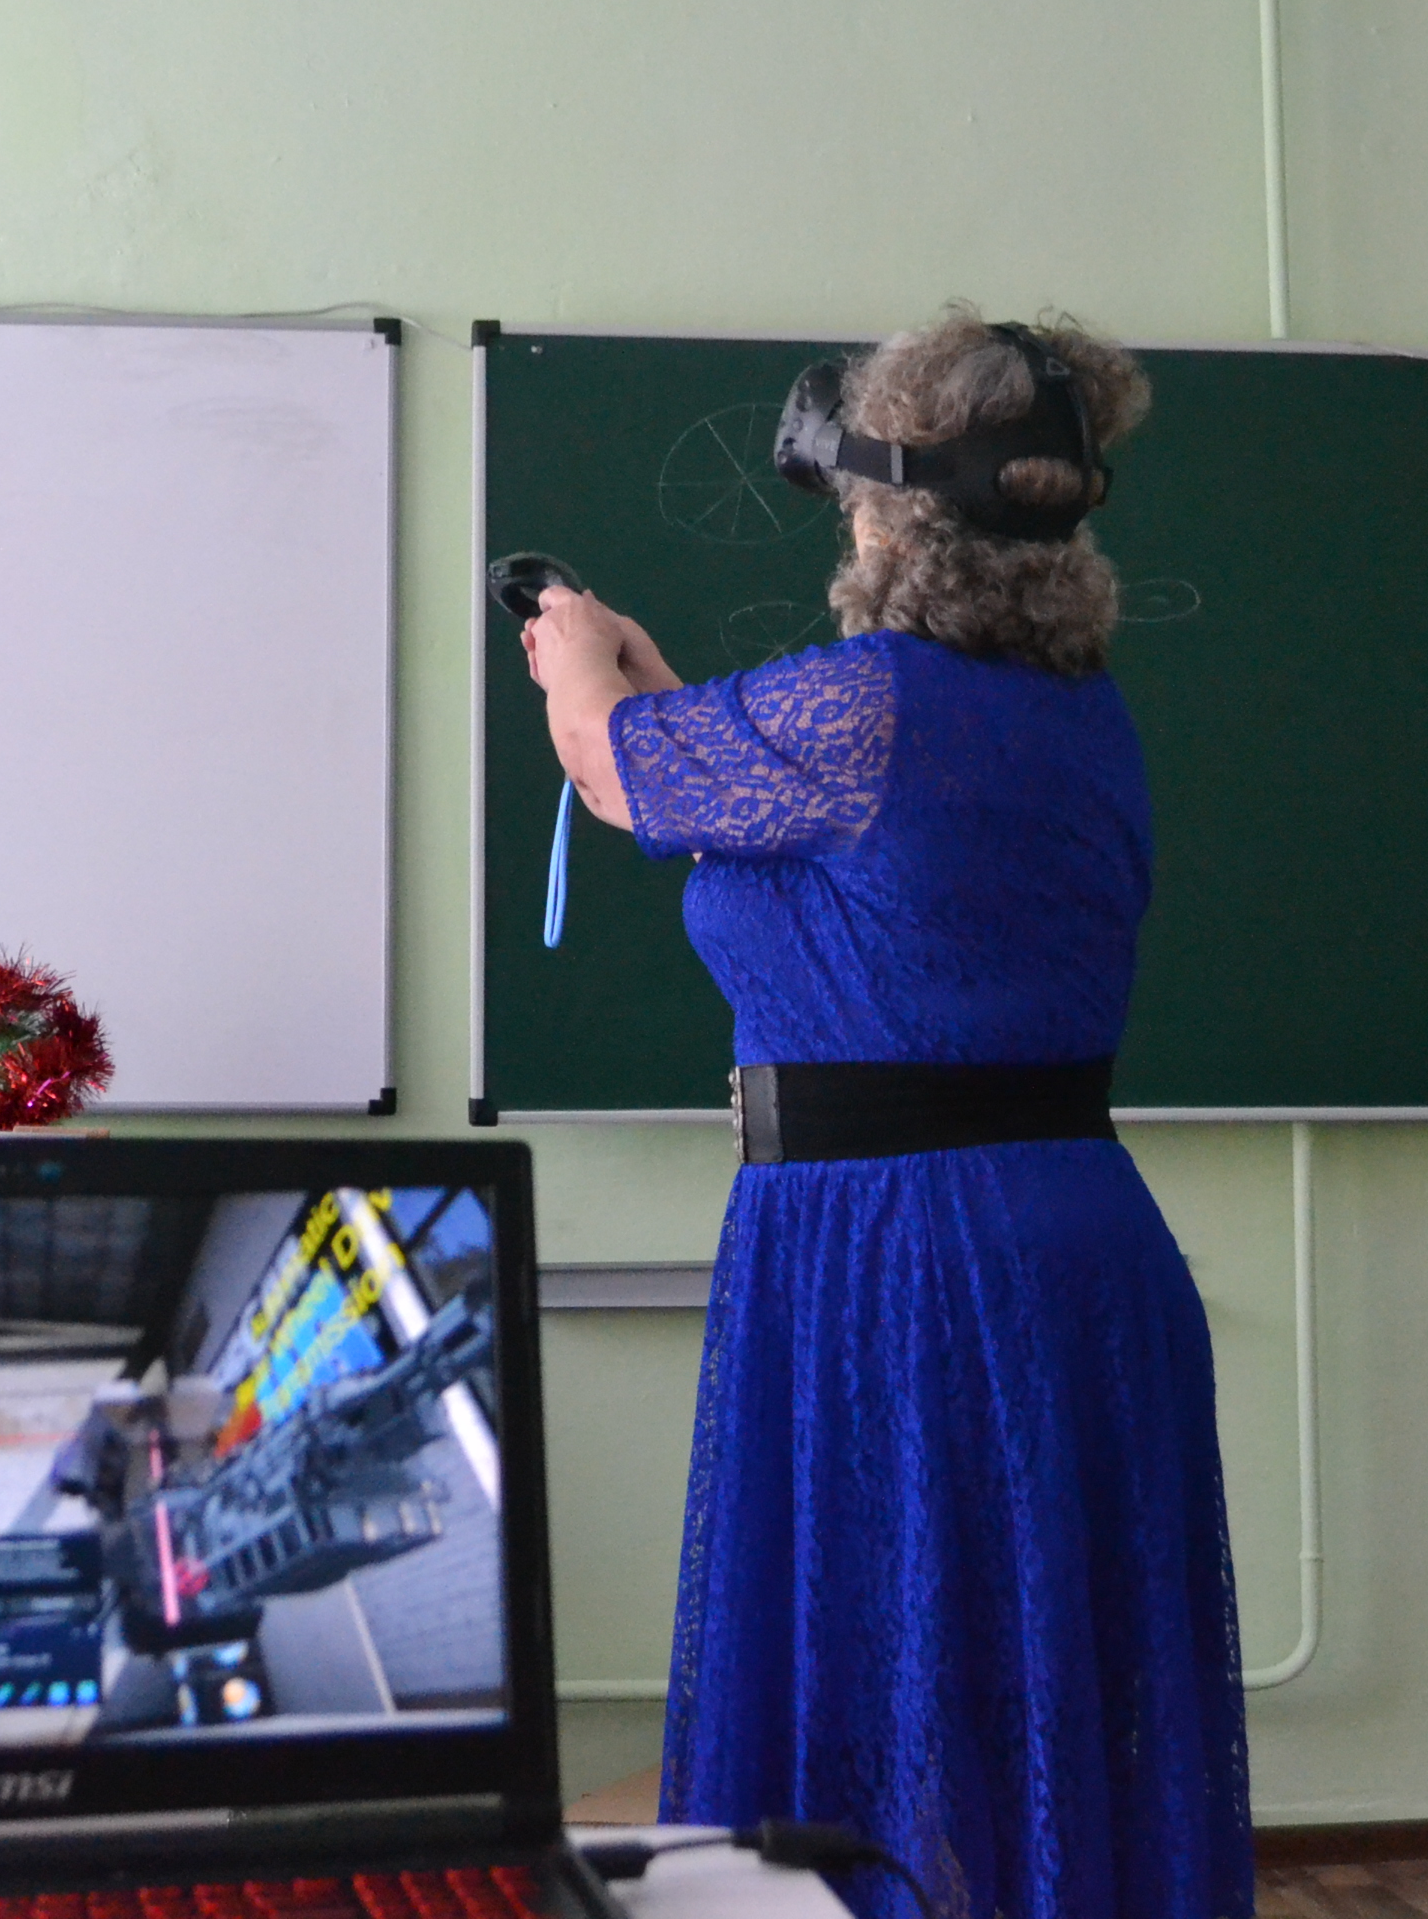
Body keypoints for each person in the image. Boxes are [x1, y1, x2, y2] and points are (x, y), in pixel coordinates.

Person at [520, 311, 1253, 1919]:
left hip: (901, 1257)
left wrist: (575, 661)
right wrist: (641, 684)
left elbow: (619, 772)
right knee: (1030, 1705)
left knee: (895, 1685)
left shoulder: (860, 710)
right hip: (1067, 1245)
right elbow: (759, 801)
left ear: (890, 516)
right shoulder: (1071, 712)